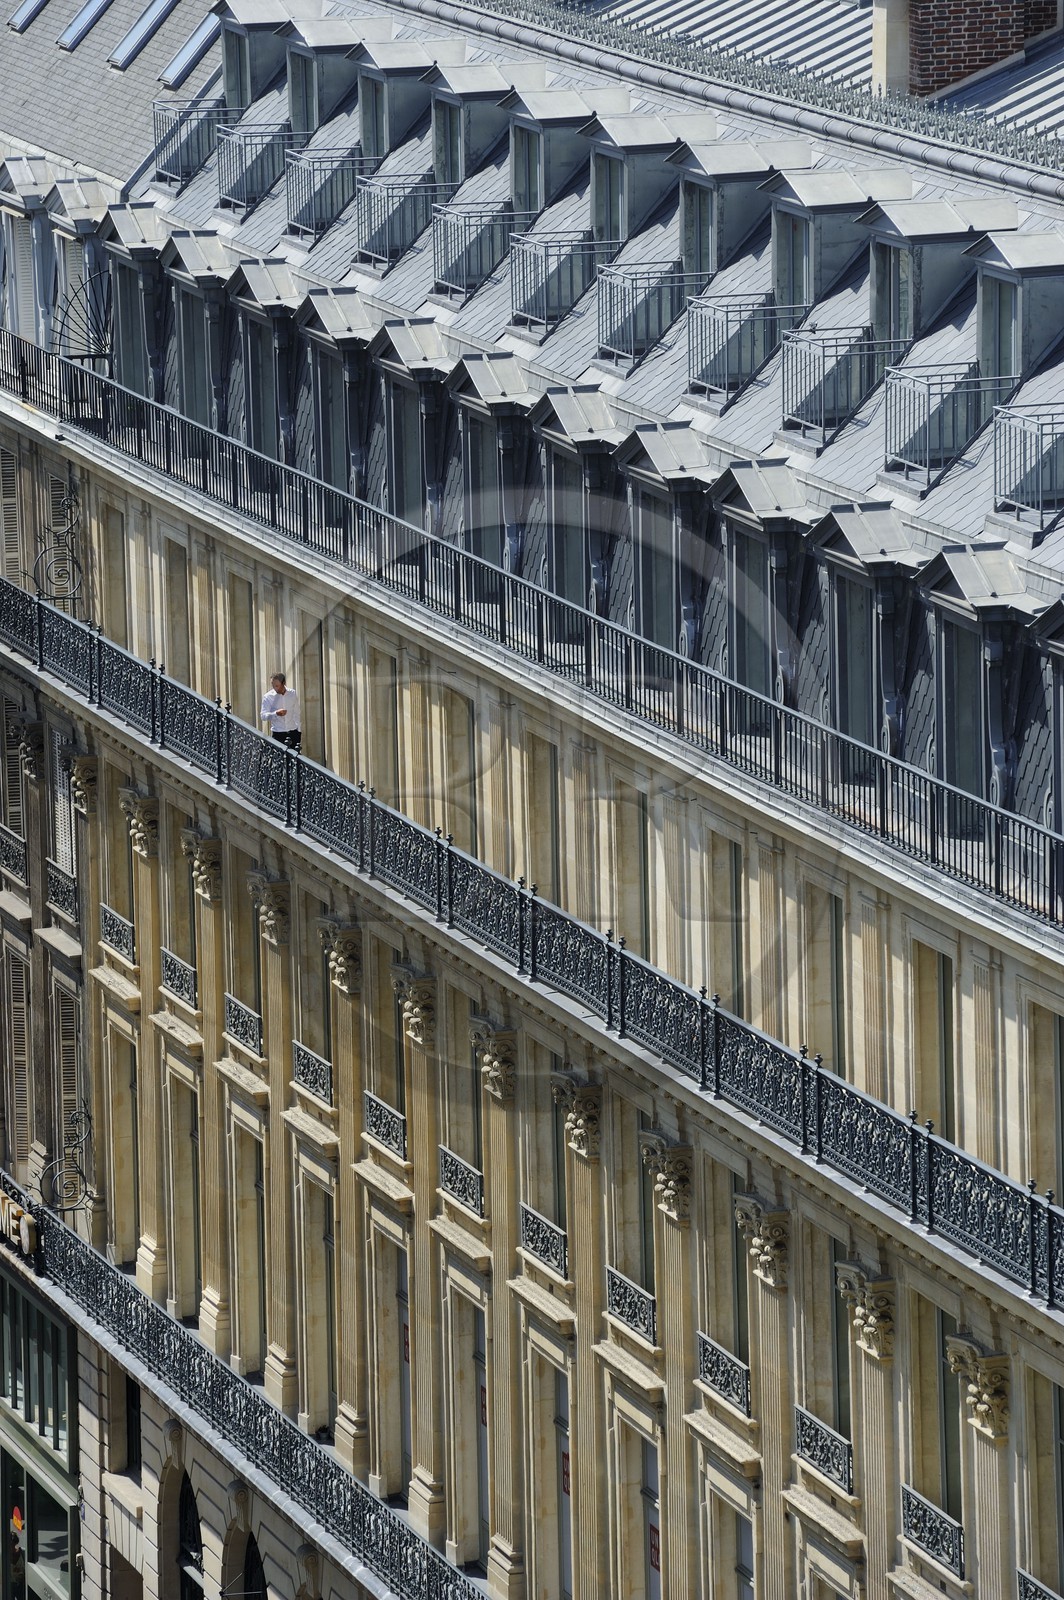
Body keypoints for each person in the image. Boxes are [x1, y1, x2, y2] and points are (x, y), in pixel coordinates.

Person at [260, 673, 302, 751]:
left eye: (277, 686)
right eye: (273, 686)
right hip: (278, 733)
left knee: (294, 760)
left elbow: (297, 712)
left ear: (283, 683)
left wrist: (298, 730)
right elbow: (263, 716)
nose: (275, 688)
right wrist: (275, 713)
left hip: (293, 732)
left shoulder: (292, 693)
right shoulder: (268, 697)